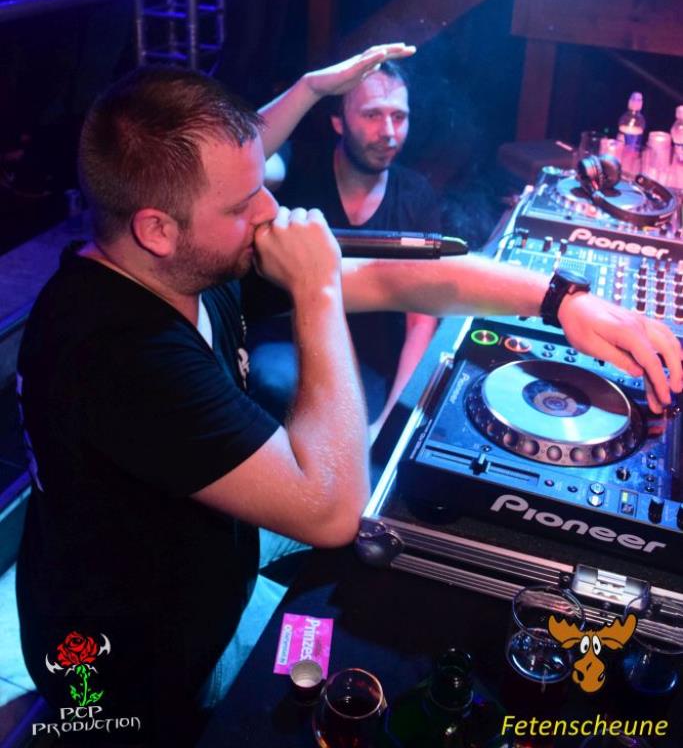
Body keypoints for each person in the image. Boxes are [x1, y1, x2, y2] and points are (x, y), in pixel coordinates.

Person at [16, 59, 681, 745]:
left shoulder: (177, 261)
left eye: (262, 185)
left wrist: (561, 299)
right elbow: (330, 511)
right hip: (139, 658)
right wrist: (317, 289)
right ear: (157, 228)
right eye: (241, 205)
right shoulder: (117, 351)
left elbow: (395, 280)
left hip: (205, 551)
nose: (269, 212)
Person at [250, 58, 441, 435]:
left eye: (399, 117)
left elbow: (421, 322)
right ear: (338, 121)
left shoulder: (415, 195)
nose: (389, 132)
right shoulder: (298, 165)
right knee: (276, 378)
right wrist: (308, 87)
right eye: (372, 115)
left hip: (365, 371)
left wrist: (391, 423)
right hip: (289, 349)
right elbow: (242, 157)